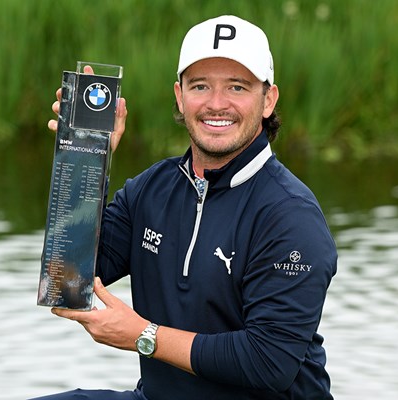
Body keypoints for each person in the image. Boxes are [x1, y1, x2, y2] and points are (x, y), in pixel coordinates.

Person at [33, 14, 337, 400]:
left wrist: (145, 336)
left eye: (237, 87)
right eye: (200, 86)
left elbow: (269, 361)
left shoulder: (290, 215)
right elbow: (65, 282)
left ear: (268, 99)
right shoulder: (149, 190)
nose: (216, 104)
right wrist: (86, 163)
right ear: (179, 95)